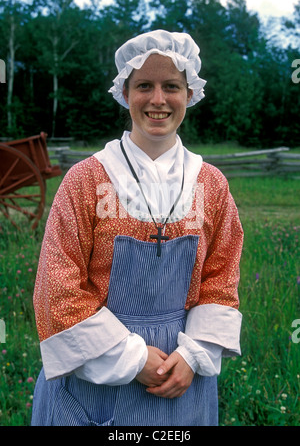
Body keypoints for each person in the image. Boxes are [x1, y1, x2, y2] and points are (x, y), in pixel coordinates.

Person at [31, 30, 244, 426]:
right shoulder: (85, 180)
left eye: (172, 87)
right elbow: (55, 290)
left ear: (190, 94)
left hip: (181, 372)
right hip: (94, 377)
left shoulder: (211, 185)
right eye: (144, 85)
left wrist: (195, 353)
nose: (158, 99)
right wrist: (130, 358)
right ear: (125, 93)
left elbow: (221, 277)